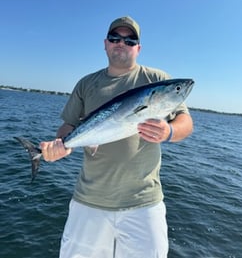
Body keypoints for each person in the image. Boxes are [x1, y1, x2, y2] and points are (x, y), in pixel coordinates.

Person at [40, 16, 193, 258]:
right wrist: (61, 145)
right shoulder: (87, 83)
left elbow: (186, 122)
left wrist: (169, 131)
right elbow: (68, 125)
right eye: (115, 38)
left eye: (129, 40)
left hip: (144, 202)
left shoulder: (156, 79)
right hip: (88, 201)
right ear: (106, 44)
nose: (121, 43)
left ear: (138, 48)